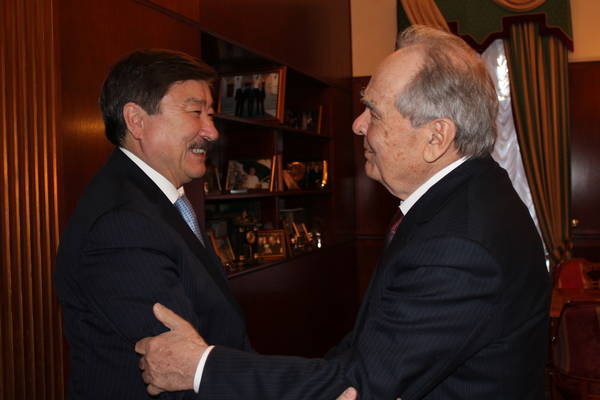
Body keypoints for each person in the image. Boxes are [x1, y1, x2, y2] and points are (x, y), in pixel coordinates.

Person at [136, 25, 550, 399]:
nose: (357, 124)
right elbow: (363, 352)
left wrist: (201, 368)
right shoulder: (466, 197)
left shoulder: (458, 243)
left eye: (374, 112)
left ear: (436, 137)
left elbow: (360, 384)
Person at [53, 49, 252, 399]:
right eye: (195, 112)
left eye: (210, 114)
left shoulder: (155, 201)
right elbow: (177, 370)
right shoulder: (122, 224)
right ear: (136, 120)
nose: (211, 131)